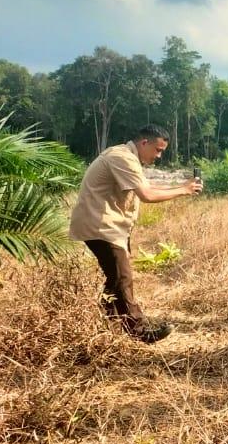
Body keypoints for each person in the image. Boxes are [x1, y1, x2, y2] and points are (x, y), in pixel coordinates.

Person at [69, 125, 202, 342]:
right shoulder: (121, 157)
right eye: (157, 150)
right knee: (122, 277)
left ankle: (103, 325)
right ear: (144, 143)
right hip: (101, 226)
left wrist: (183, 187)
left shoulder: (128, 158)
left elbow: (147, 188)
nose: (158, 156)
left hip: (110, 227)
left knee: (114, 280)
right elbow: (147, 195)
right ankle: (139, 332)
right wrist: (183, 190)